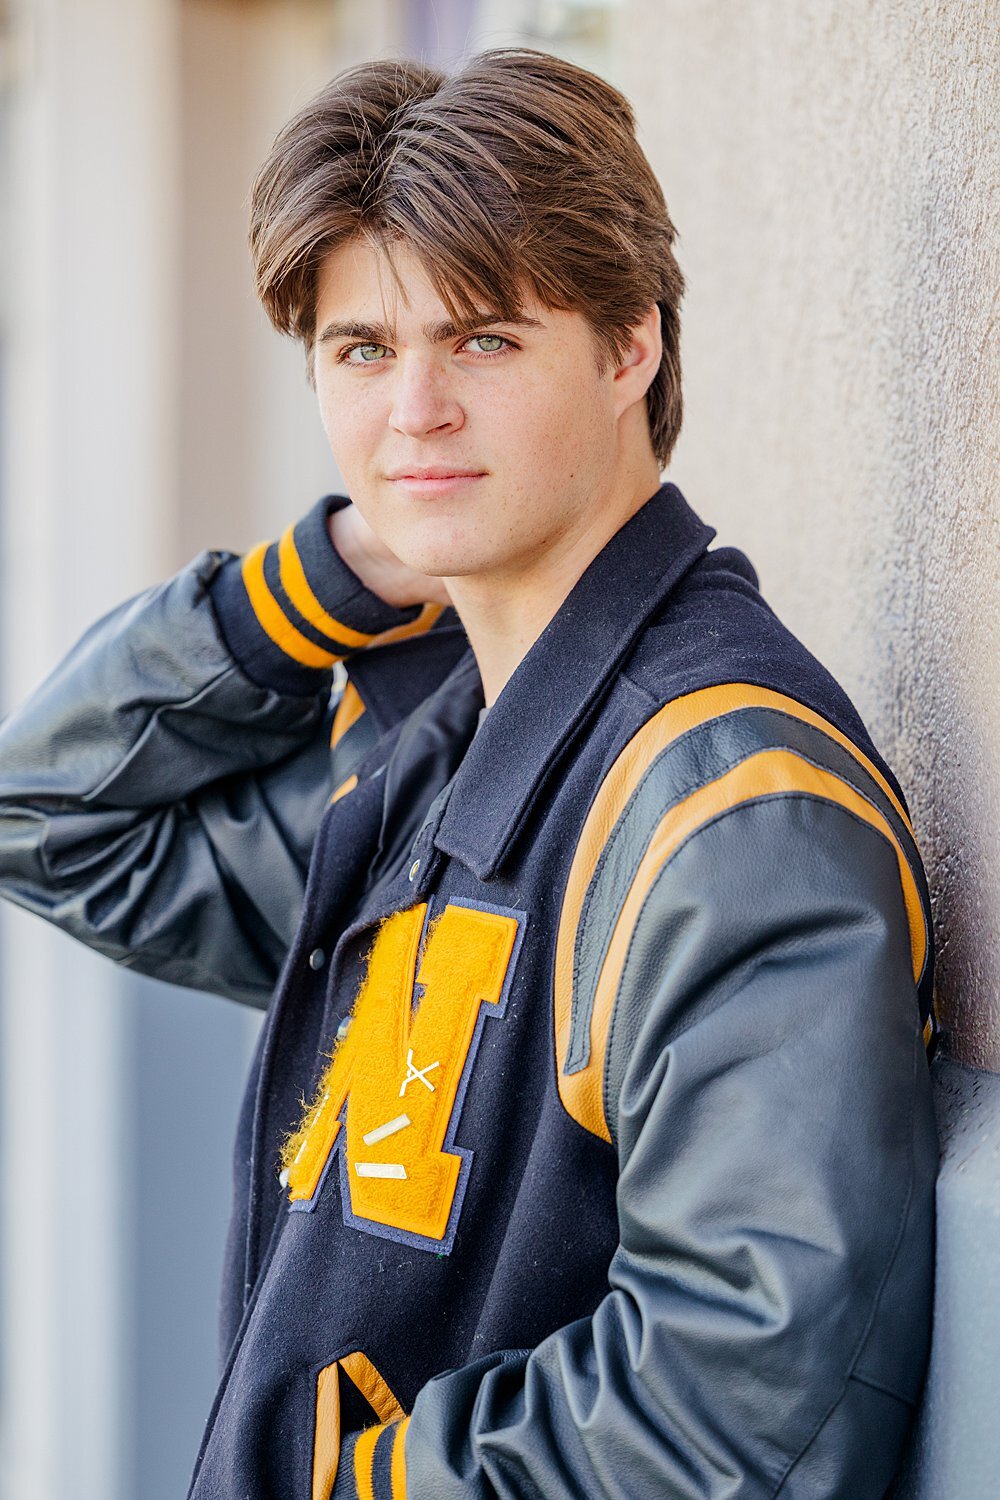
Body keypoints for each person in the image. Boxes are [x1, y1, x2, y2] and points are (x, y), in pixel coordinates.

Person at [0, 47, 937, 1500]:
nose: (415, 409)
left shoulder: (722, 801)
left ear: (631, 348)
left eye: (484, 339)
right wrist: (329, 572)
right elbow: (50, 819)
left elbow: (732, 1414)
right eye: (361, 350)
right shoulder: (435, 758)